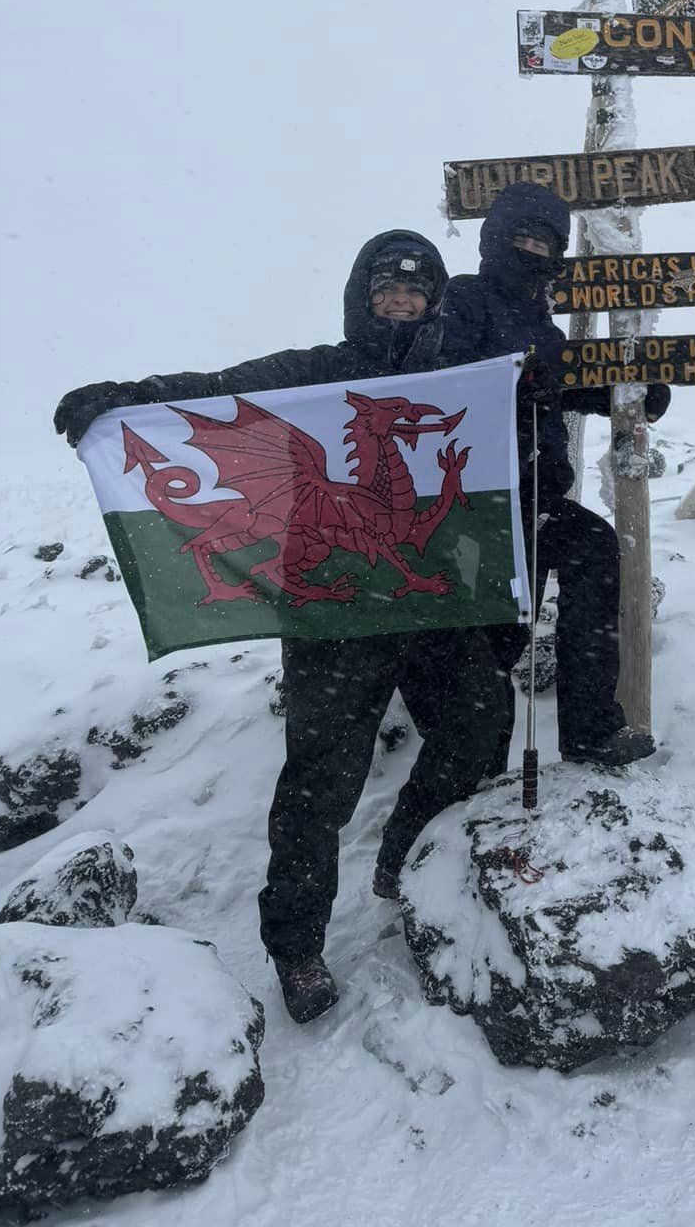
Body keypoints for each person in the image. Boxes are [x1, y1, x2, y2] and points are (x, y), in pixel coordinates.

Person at [53, 230, 512, 1025]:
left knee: (481, 721)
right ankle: (296, 946)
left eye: (416, 292)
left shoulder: (456, 377)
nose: (401, 303)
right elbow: (217, 392)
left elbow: (527, 401)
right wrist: (126, 396)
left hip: (430, 604)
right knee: (318, 784)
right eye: (387, 291)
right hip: (331, 613)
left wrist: (612, 392)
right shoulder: (314, 372)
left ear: (435, 302)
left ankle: (403, 856)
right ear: (362, 298)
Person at [436, 181, 669, 771]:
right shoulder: (464, 298)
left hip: (540, 494)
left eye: (546, 241)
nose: (534, 250)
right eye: (523, 237)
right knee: (497, 640)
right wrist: (518, 380)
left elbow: (557, 383)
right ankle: (478, 765)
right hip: (481, 501)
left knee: (594, 551)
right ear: (493, 241)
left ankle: (590, 729)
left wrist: (625, 394)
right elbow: (444, 378)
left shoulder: (546, 324)